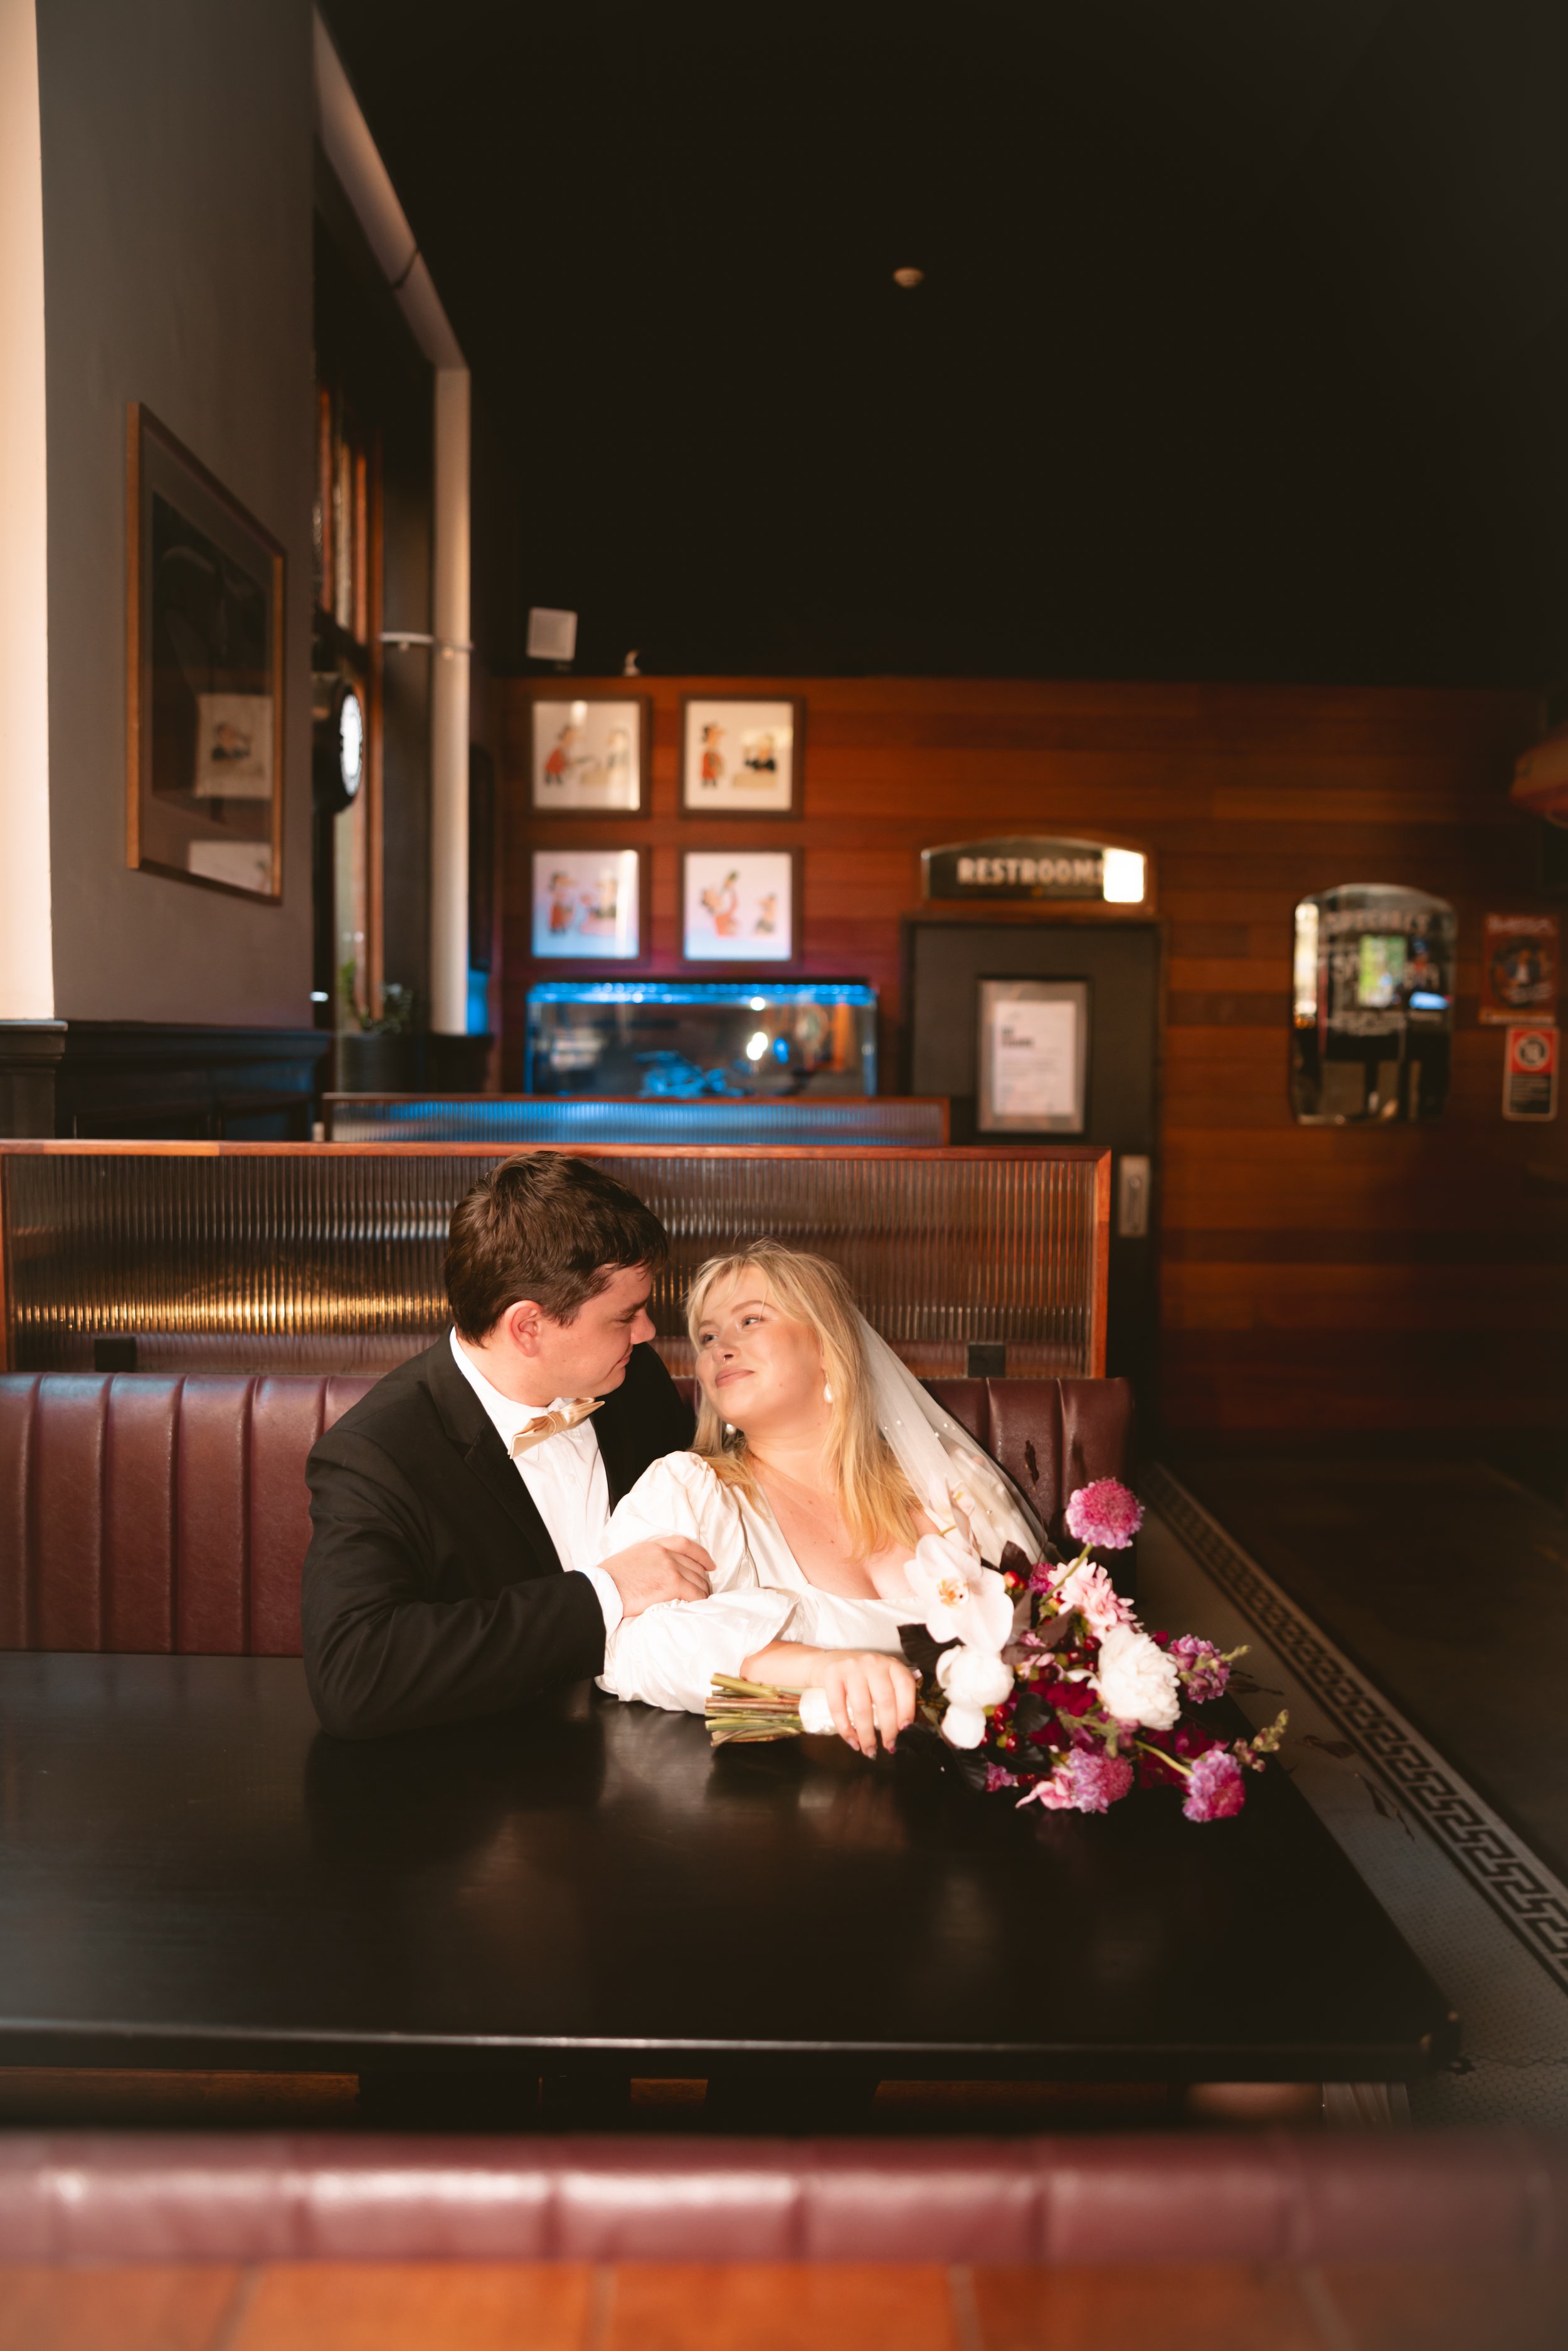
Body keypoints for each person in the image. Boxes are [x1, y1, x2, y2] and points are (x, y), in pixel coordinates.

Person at [302, 1155, 706, 1739]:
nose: (645, 1333)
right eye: (625, 1317)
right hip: (479, 1784)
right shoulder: (377, 1455)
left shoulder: (634, 1379)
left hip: (661, 1749)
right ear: (528, 1327)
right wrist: (607, 1593)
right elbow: (355, 1676)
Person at [592, 1241, 1042, 1756]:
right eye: (708, 1336)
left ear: (828, 1347)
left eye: (751, 1321)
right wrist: (816, 1666)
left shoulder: (947, 1487)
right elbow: (625, 1647)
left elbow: (1044, 1641)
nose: (720, 1348)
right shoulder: (689, 1490)